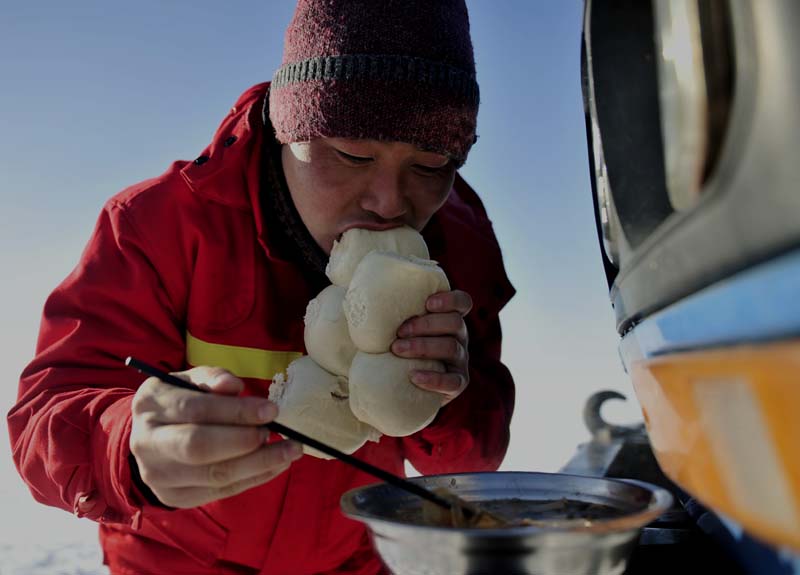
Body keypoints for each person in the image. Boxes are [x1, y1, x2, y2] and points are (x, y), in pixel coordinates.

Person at [7, 1, 516, 573]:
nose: (390, 203)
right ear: (286, 126)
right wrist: (127, 445)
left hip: (354, 562)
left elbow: (477, 456)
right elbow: (43, 419)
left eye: (430, 165)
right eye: (352, 154)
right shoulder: (158, 226)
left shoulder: (460, 247)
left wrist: (448, 392)